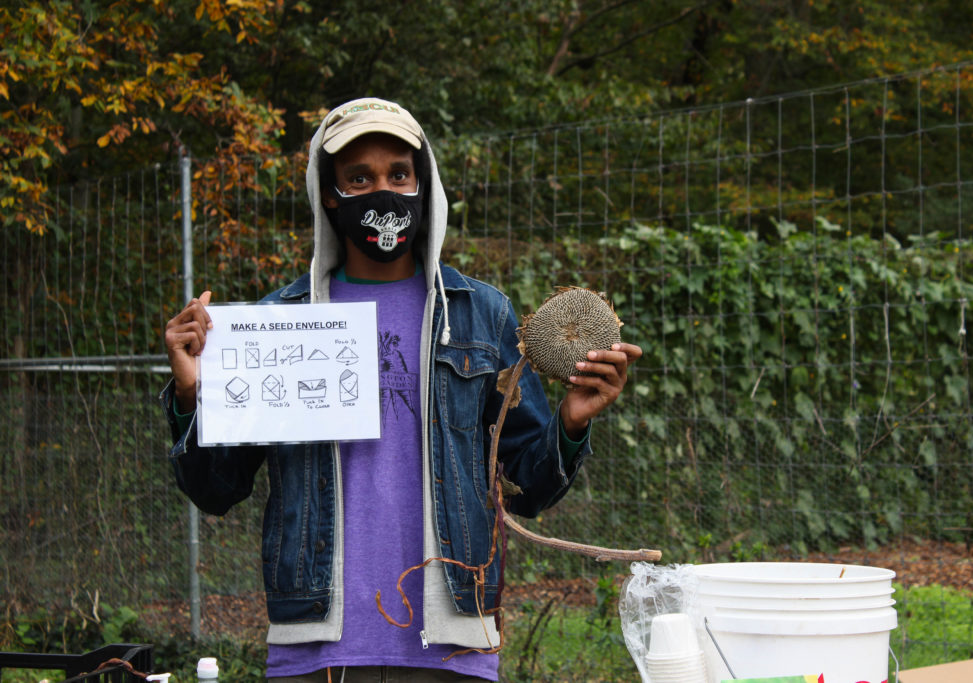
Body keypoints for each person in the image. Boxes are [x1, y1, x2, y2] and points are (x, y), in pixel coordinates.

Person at [161, 97, 642, 682]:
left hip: (453, 646)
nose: (383, 190)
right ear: (329, 195)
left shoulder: (480, 317)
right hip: (317, 648)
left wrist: (570, 424)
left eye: (399, 174)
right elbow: (216, 489)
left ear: (424, 185)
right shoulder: (276, 325)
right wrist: (193, 401)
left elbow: (526, 487)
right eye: (359, 177)